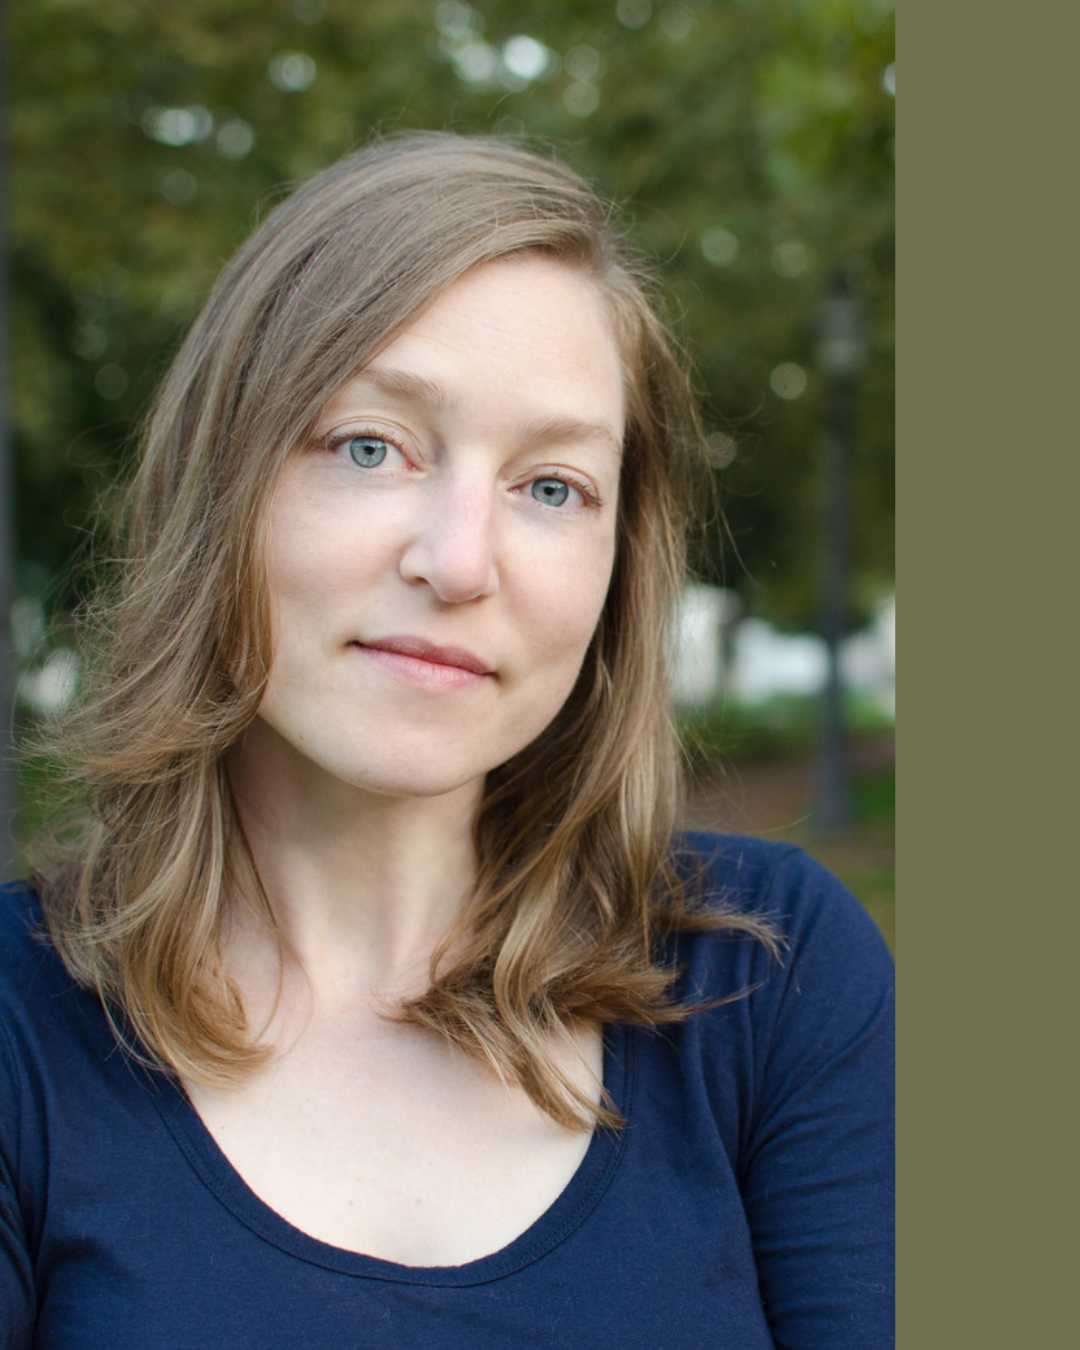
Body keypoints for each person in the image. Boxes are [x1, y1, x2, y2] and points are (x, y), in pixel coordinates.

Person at [0, 133, 893, 1347]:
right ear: (221, 486)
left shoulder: (769, 978)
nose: (461, 561)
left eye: (551, 486)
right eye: (371, 446)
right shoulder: (21, 1033)